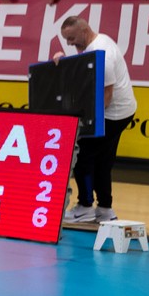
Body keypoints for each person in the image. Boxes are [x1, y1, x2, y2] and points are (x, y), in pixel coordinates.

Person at [58, 13, 136, 224]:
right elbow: (83, 67)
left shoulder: (103, 55)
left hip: (113, 114)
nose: (69, 43)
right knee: (102, 161)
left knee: (83, 157)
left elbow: (106, 98)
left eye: (71, 38)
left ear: (84, 31)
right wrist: (63, 62)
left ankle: (85, 206)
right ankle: (105, 209)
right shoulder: (95, 43)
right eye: (66, 39)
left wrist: (85, 121)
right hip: (123, 110)